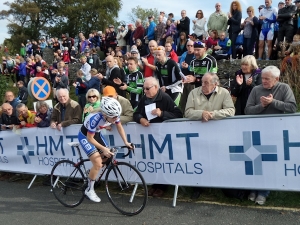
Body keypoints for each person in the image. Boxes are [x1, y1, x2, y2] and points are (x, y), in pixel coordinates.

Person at [244, 66, 297, 205]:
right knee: (256, 161)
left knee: (269, 162)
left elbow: (292, 107)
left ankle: (263, 192)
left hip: (275, 131)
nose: (264, 81)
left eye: (267, 79)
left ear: (277, 79)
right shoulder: (256, 89)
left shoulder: (284, 88)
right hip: (256, 132)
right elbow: (247, 110)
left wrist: (273, 102)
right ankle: (254, 189)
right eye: (262, 78)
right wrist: (262, 106)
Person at [185, 72, 235, 199]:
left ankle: (224, 187)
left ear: (215, 84)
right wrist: (202, 113)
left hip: (218, 134)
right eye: (202, 82)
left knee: (220, 160)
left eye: (206, 83)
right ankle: (198, 187)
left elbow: (230, 110)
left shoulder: (224, 93)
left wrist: (212, 114)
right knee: (199, 160)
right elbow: (188, 112)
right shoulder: (193, 93)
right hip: (198, 134)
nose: (203, 85)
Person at [133, 77, 183, 197]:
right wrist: (141, 119)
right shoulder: (144, 98)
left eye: (147, 88)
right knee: (153, 160)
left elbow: (178, 115)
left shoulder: (165, 98)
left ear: (156, 87)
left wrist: (162, 114)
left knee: (163, 160)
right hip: (150, 136)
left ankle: (163, 186)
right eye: (144, 88)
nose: (144, 91)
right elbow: (136, 113)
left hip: (164, 136)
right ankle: (155, 184)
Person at [78, 97, 133, 202]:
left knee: (108, 157)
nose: (115, 119)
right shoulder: (95, 118)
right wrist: (103, 148)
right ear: (105, 114)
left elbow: (119, 127)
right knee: (98, 163)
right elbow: (90, 138)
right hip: (85, 136)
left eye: (116, 116)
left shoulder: (113, 114)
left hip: (97, 134)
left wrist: (126, 142)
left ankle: (91, 173)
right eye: (113, 117)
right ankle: (89, 190)